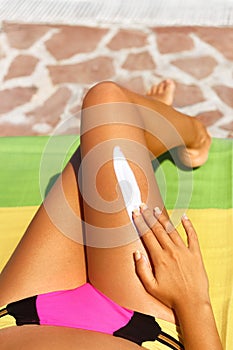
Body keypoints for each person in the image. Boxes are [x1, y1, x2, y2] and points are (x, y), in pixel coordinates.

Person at [0, 80, 222, 350]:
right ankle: (180, 135)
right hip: (145, 331)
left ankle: (149, 136)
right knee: (110, 105)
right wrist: (194, 301)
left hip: (18, 320)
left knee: (105, 101)